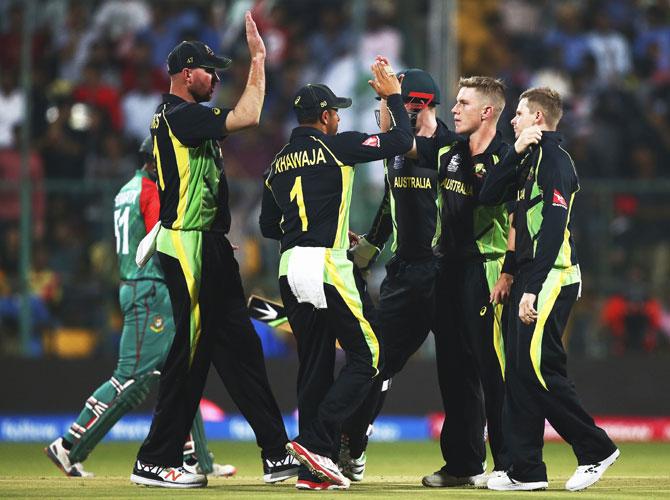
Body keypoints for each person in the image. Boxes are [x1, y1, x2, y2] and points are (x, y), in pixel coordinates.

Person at [130, 12, 299, 489]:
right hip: (190, 246)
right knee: (190, 353)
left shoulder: (183, 118)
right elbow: (248, 116)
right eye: (210, 70)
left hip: (207, 244)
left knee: (241, 348)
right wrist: (260, 60)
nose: (217, 77)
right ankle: (154, 460)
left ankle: (276, 452)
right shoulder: (182, 114)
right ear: (187, 73)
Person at [259, 63, 413, 490]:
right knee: (371, 357)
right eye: (337, 113)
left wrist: (315, 223)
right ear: (325, 117)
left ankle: (313, 469)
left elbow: (269, 227)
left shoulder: (277, 163)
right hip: (327, 264)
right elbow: (402, 139)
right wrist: (393, 96)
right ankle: (317, 441)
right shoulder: (337, 146)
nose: (340, 118)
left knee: (313, 364)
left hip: (290, 269)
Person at [44, 137, 235, 479]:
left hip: (138, 286)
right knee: (131, 377)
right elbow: (159, 240)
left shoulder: (126, 190)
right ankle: (70, 444)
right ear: (152, 161)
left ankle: (199, 461)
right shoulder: (149, 191)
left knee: (183, 371)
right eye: (163, 160)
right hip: (150, 290)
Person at [480, 87, 619, 492]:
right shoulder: (527, 160)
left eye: (519, 114)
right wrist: (512, 152)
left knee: (539, 369)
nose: (512, 120)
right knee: (521, 372)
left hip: (552, 275)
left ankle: (595, 449)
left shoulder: (555, 161)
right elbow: (489, 197)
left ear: (538, 119)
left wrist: (532, 287)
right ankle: (526, 470)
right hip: (528, 275)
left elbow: (554, 229)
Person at [340, 67, 447, 482]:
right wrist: (367, 249)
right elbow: (389, 207)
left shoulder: (448, 149)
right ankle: (354, 445)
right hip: (405, 274)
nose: (380, 115)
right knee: (376, 362)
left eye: (386, 105)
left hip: (445, 272)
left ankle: (474, 461)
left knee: (465, 369)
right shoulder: (399, 153)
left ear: (414, 105)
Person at [421, 76, 514, 488]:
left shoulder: (506, 157)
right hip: (448, 269)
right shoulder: (449, 151)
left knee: (492, 369)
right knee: (453, 371)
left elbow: (516, 219)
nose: (454, 109)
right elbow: (408, 147)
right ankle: (463, 464)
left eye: (463, 103)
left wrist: (510, 271)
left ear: (488, 111)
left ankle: (510, 465)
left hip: (486, 269)